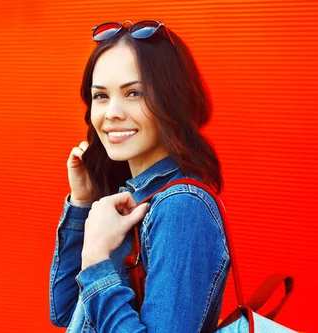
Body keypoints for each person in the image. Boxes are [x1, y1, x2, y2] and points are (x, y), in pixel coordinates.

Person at [49, 19, 230, 333]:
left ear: (172, 101)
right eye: (101, 96)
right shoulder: (129, 200)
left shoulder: (181, 208)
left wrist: (96, 257)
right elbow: (64, 310)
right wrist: (82, 203)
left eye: (134, 93)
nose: (112, 112)